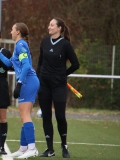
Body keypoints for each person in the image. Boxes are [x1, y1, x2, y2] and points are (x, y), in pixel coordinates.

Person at [0, 23, 40, 159]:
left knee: (25, 115)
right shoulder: (18, 46)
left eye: (12, 29)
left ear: (17, 32)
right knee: (24, 115)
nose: (10, 32)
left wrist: (19, 83)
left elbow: (26, 66)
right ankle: (23, 148)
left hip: (28, 82)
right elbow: (9, 64)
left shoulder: (21, 45)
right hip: (28, 82)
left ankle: (32, 148)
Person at [36, 17, 80, 158]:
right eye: (49, 25)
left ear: (59, 28)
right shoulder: (44, 42)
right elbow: (40, 62)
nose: (49, 27)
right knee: (46, 116)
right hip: (44, 85)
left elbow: (75, 64)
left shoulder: (65, 44)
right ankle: (50, 149)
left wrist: (63, 74)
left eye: (52, 25)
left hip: (59, 86)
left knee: (60, 117)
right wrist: (38, 79)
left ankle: (64, 146)